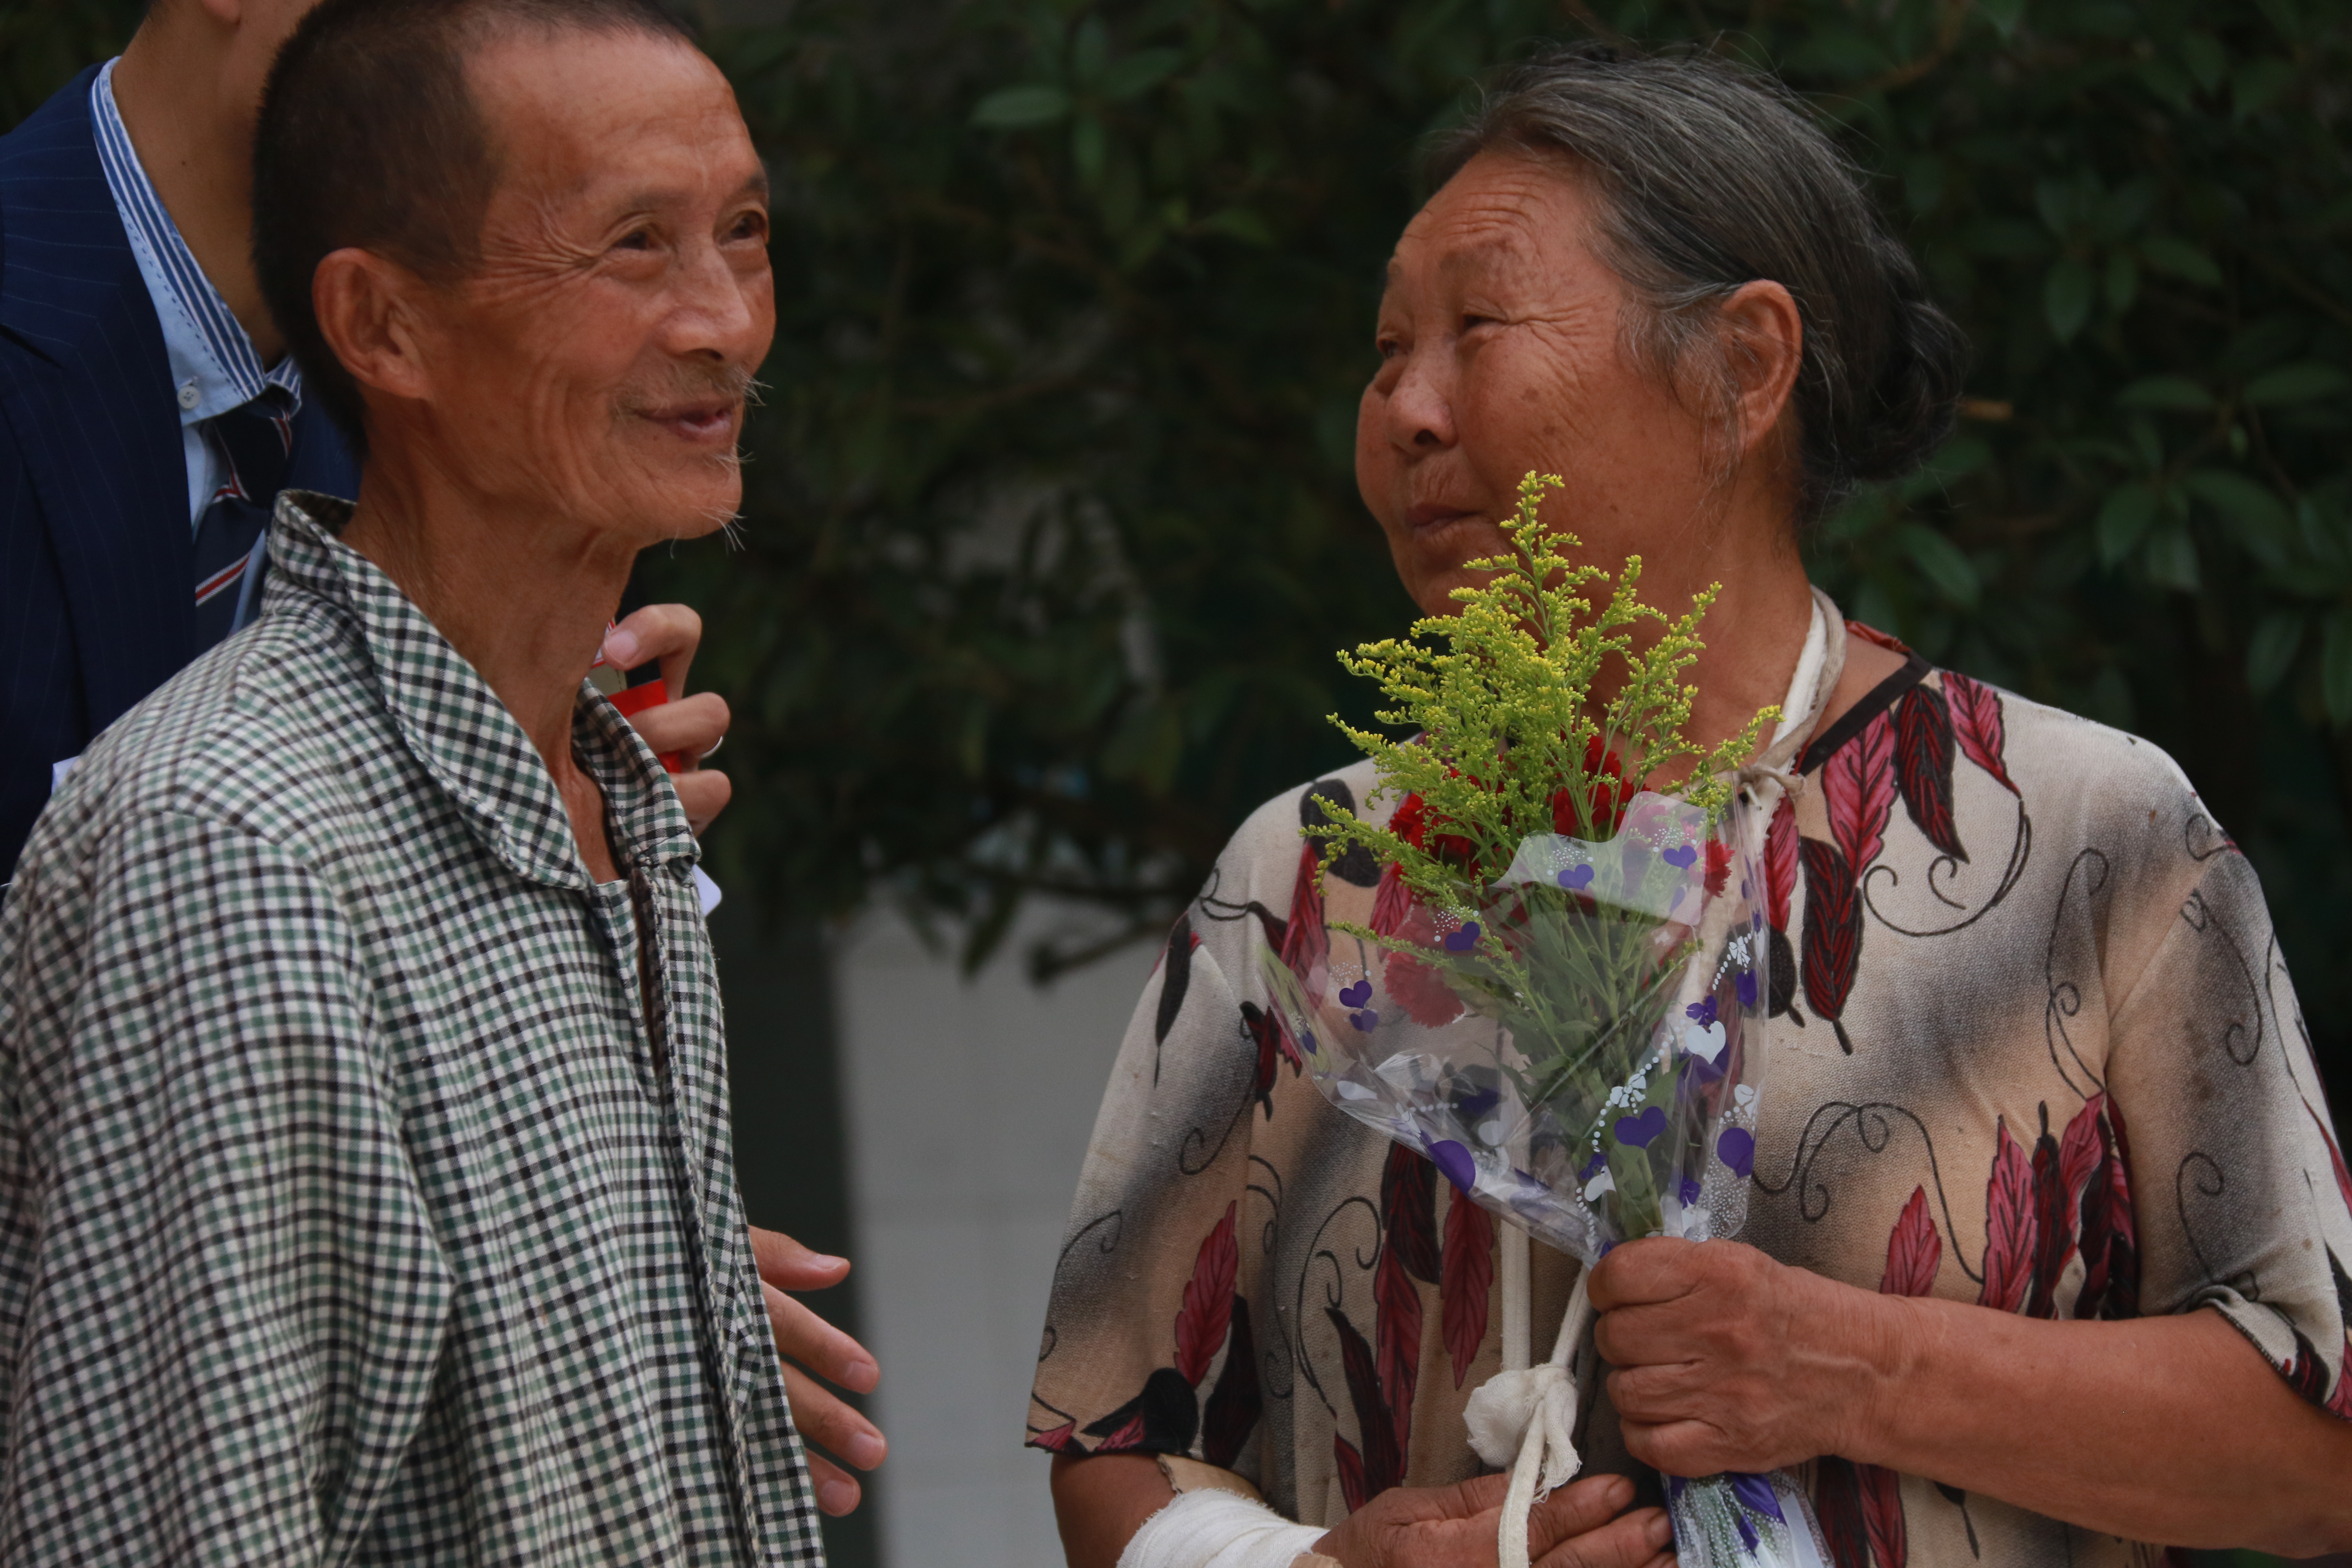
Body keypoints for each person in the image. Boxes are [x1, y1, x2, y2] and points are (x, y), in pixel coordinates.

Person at [1033, 45, 2352, 1568]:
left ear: (1742, 366)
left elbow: (2317, 1456)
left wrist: (1851, 1366)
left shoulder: (2087, 833)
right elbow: (1113, 1445)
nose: (1404, 409)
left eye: (1477, 329)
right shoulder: (1311, 876)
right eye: (1388, 350)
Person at [0, 0, 870, 1555]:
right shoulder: (221, 830)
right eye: (631, 249)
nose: (726, 322)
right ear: (381, 332)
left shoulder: (606, 777)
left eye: (744, 234)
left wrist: (602, 1293)